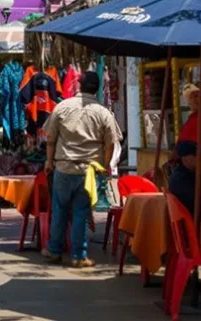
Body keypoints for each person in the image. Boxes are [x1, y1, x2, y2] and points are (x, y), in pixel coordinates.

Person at [43, 71, 121, 268]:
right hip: (88, 172)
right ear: (96, 89)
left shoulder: (62, 107)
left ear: (79, 85)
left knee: (59, 210)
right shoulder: (103, 113)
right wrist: (105, 164)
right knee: (81, 212)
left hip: (63, 167)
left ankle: (54, 250)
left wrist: (49, 162)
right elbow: (110, 143)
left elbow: (50, 138)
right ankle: (79, 256)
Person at [168, 140, 201, 216]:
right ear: (185, 158)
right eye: (197, 154)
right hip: (196, 224)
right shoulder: (180, 179)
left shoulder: (192, 174)